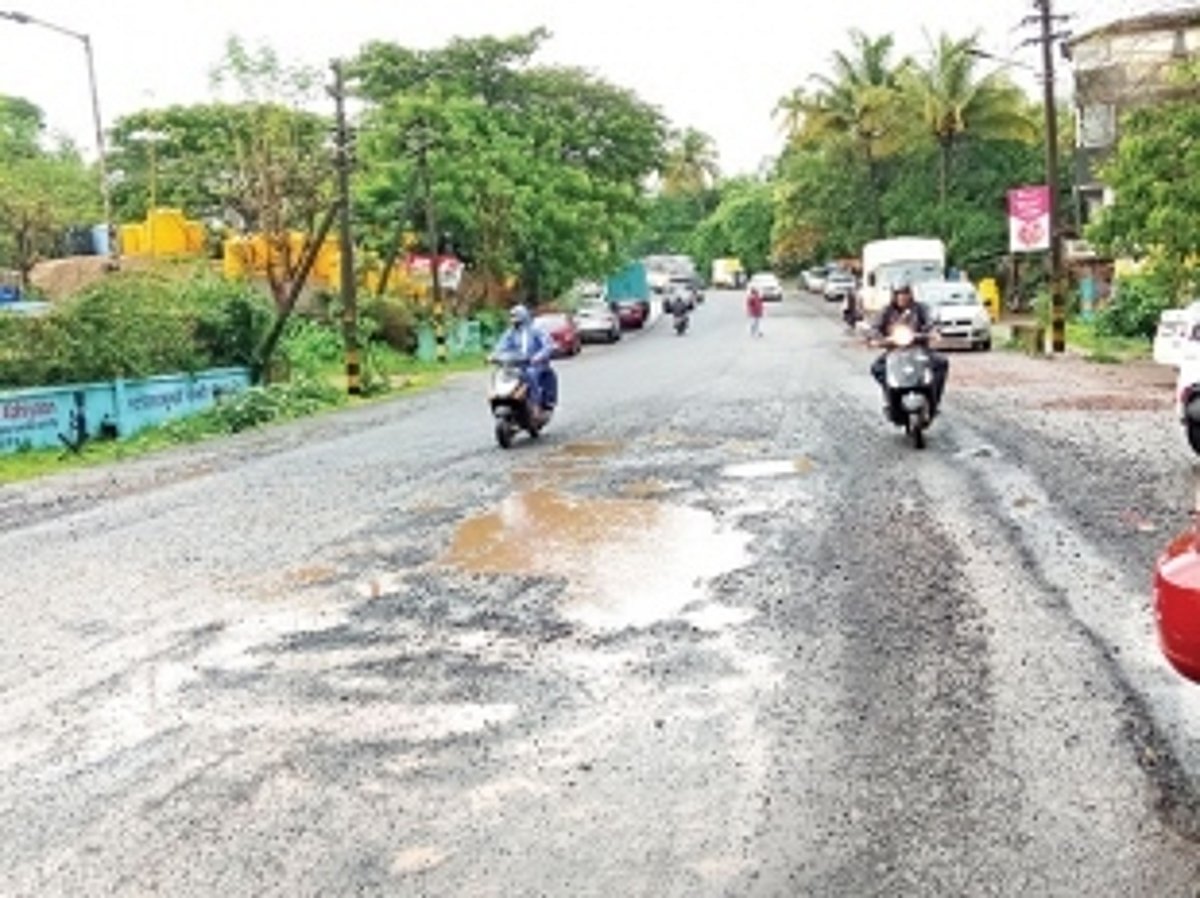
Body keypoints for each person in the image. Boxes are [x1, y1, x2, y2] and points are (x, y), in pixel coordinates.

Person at [868, 282, 949, 415]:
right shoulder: (886, 311)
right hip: (894, 351)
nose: (902, 297)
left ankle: (934, 400)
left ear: (911, 295)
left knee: (941, 363)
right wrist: (877, 338)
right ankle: (890, 400)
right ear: (894, 296)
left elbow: (932, 323)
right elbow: (875, 328)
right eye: (899, 294)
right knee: (878, 368)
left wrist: (933, 332)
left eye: (905, 293)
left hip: (919, 350)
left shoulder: (921, 308)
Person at [492, 304, 557, 410]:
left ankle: (535, 403)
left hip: (535, 365)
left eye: (517, 317)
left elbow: (548, 345)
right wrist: (493, 356)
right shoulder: (511, 333)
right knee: (500, 374)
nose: (514, 320)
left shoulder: (536, 330)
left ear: (524, 317)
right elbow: (501, 346)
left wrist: (538, 357)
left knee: (530, 374)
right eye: (512, 317)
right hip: (516, 365)